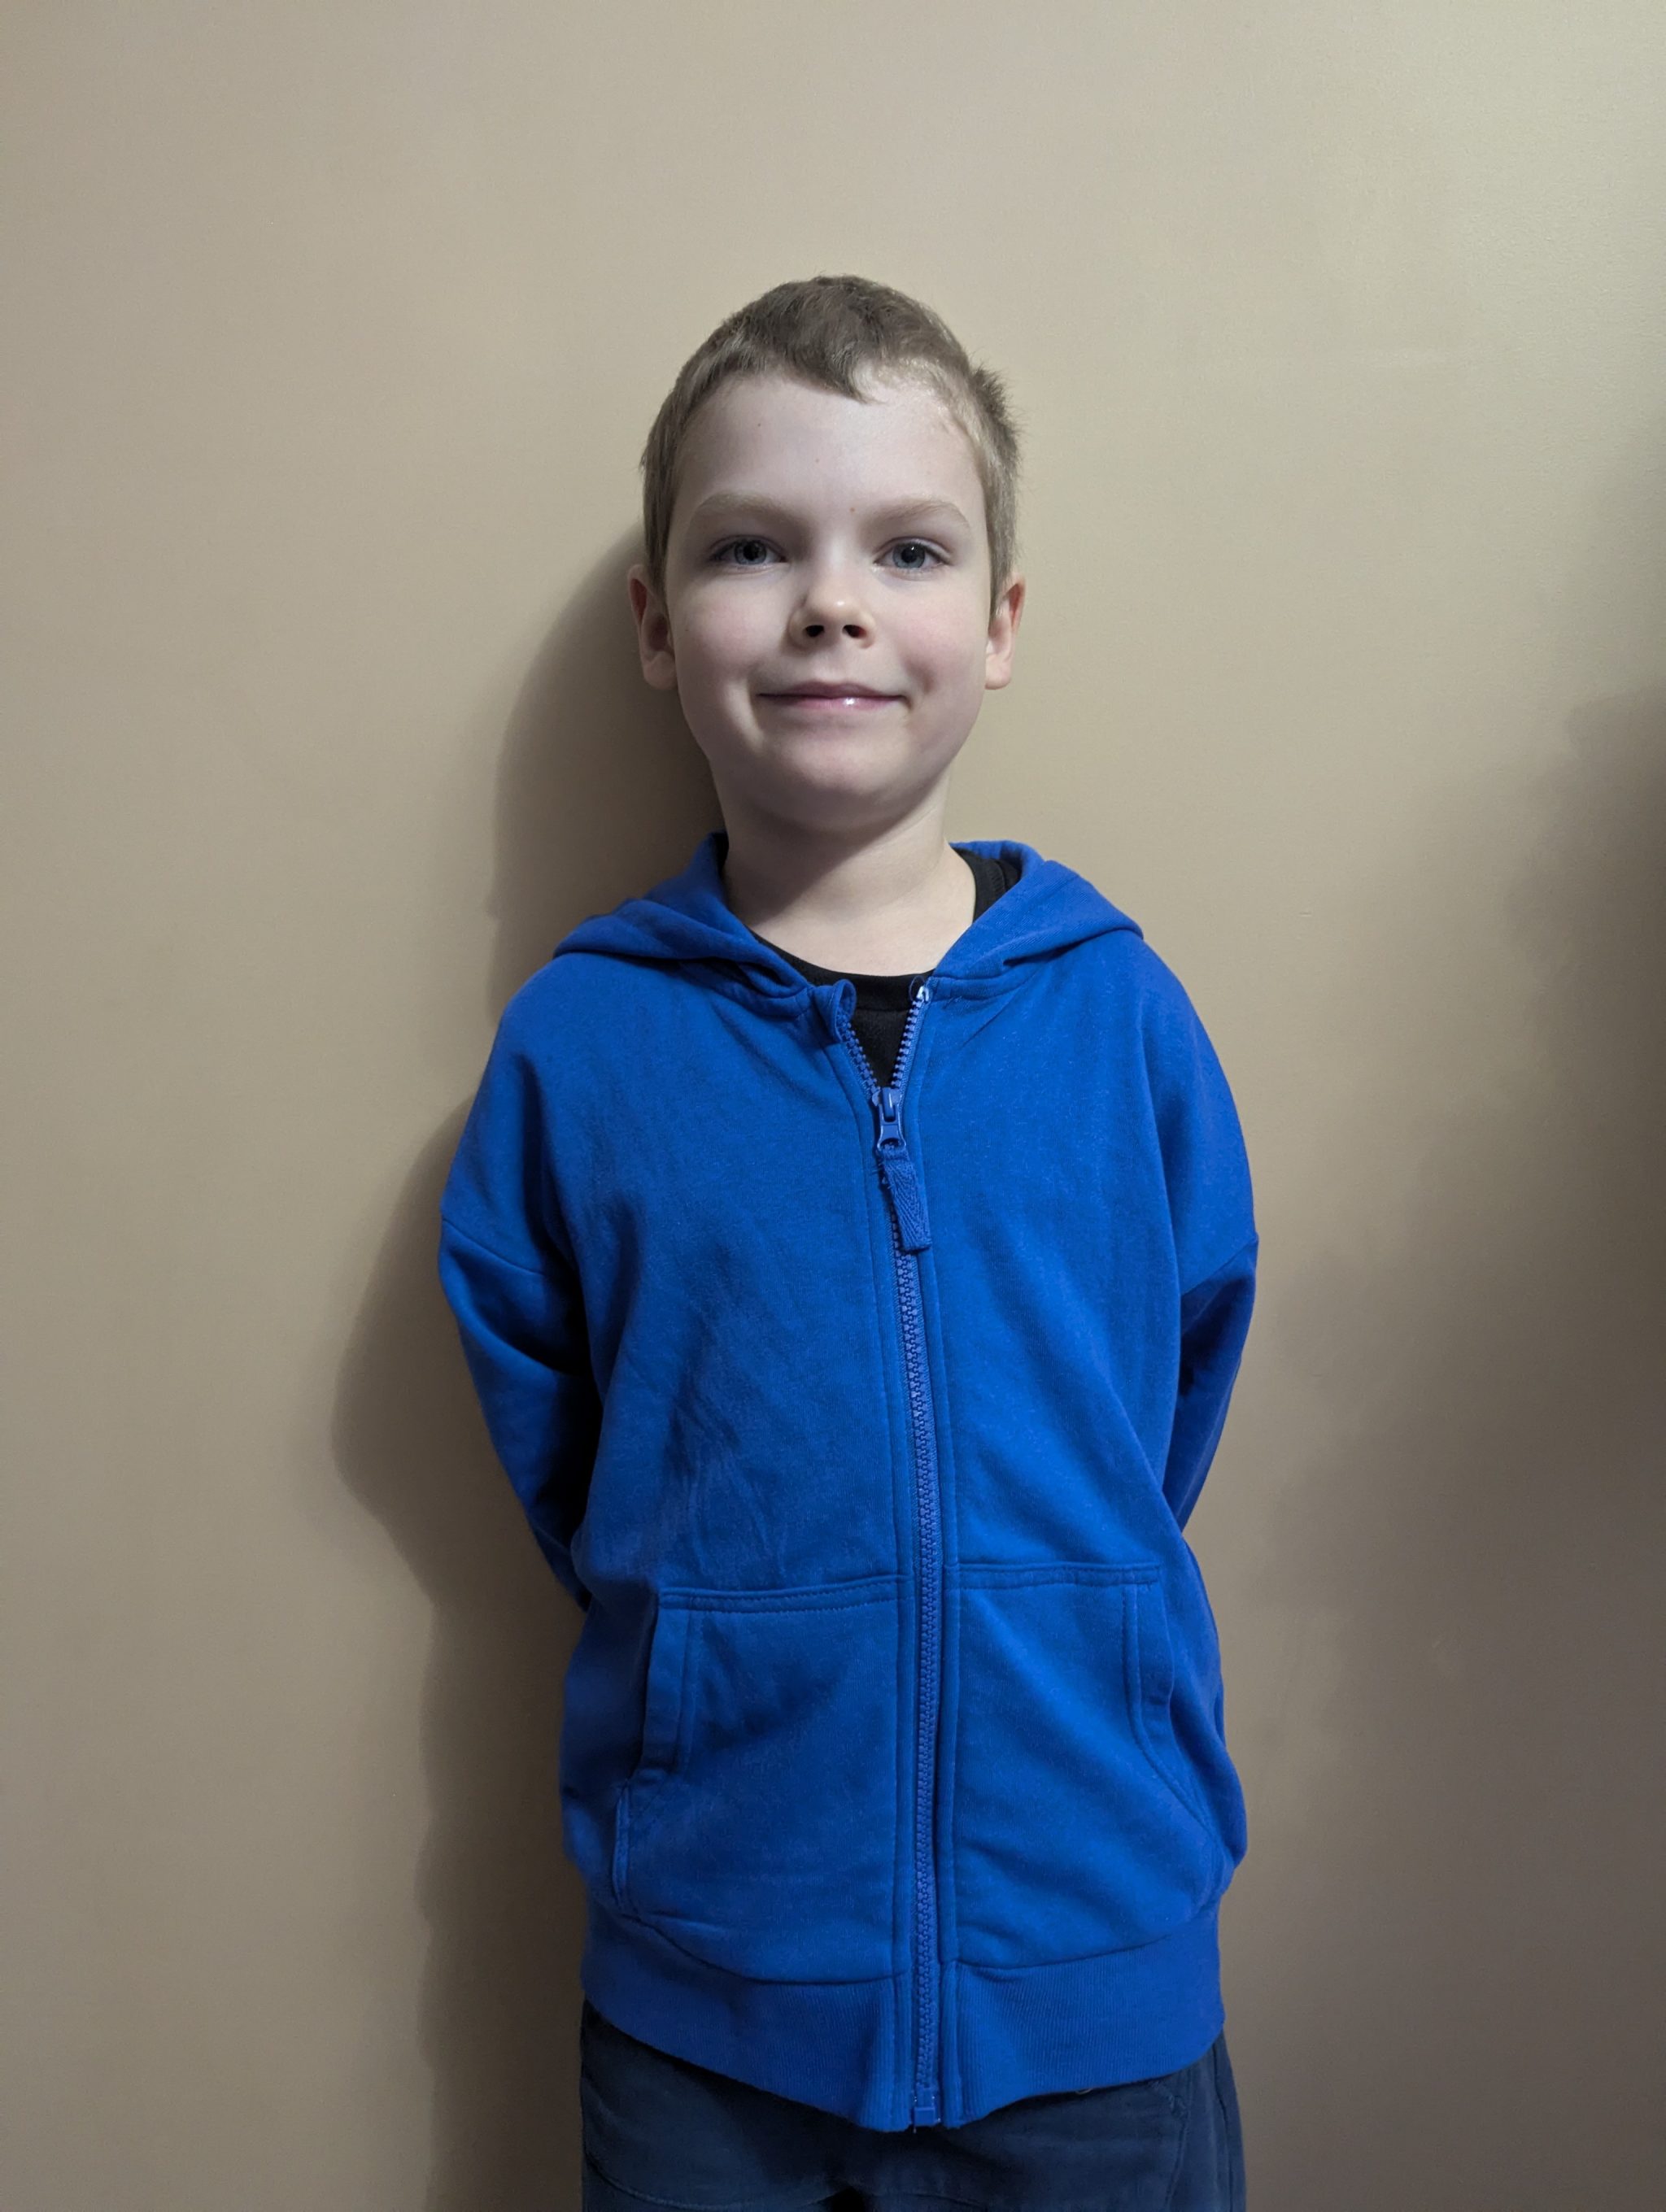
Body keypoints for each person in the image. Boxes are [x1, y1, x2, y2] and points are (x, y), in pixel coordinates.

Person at [438, 274, 1257, 2210]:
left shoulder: (1119, 1014)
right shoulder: (582, 1042)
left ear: (999, 621)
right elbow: (568, 1452)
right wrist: (723, 1639)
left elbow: (1176, 1387)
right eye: (751, 547)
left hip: (1093, 1995)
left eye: (906, 549)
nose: (831, 603)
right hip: (705, 2013)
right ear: (657, 624)